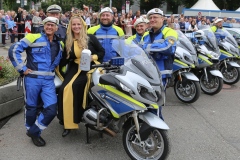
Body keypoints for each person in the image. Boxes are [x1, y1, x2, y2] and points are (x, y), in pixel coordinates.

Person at [8, 17, 63, 147]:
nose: (49, 27)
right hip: (32, 79)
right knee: (31, 107)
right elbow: (14, 50)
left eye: (52, 25)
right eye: (47, 25)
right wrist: (22, 69)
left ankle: (34, 130)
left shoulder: (60, 44)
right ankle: (34, 133)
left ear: (56, 28)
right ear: (44, 26)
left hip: (49, 80)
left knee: (51, 109)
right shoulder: (33, 37)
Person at [56, 13, 105, 137]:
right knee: (63, 89)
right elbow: (65, 59)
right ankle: (66, 122)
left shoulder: (90, 38)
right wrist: (56, 60)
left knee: (75, 87)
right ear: (70, 26)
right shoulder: (67, 40)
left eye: (79, 24)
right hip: (75, 67)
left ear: (83, 25)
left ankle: (78, 117)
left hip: (90, 67)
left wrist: (91, 57)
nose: (76, 26)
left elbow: (101, 52)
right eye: (74, 24)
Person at [141, 8, 178, 120]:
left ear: (162, 19)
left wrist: (147, 48)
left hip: (161, 74)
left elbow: (168, 48)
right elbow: (139, 51)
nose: (152, 19)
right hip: (146, 73)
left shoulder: (169, 32)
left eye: (155, 17)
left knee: (156, 104)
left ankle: (157, 131)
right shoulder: (146, 35)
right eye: (150, 18)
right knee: (146, 103)